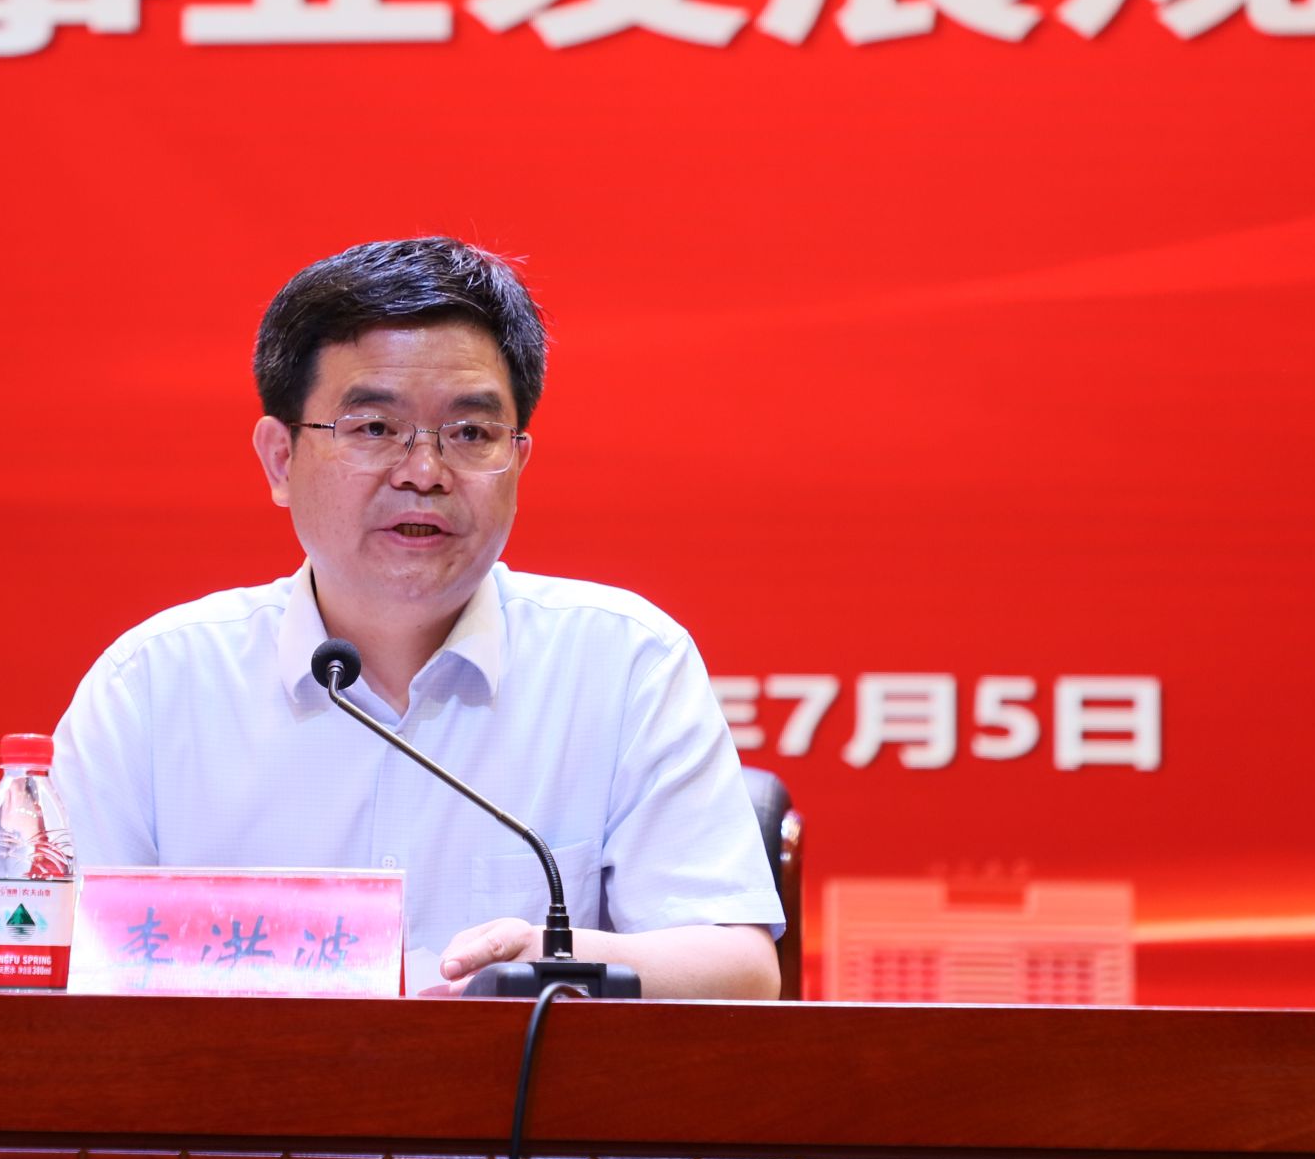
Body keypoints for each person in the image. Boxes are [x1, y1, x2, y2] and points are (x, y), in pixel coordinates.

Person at [52, 237, 783, 998]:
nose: (424, 473)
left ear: (518, 462)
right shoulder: (153, 688)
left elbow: (738, 972)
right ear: (280, 459)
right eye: (374, 428)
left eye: (470, 434)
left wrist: (553, 961)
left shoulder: (624, 663)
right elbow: (48, 965)